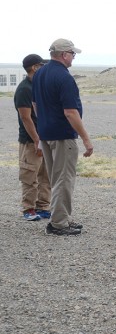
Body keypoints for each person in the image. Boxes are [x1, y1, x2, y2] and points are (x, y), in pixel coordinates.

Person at [32, 39, 93, 236]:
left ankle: (62, 217)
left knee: (55, 177)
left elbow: (35, 105)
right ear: (64, 54)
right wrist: (85, 138)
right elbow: (70, 112)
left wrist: (43, 125)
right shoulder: (64, 78)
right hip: (62, 135)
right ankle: (58, 223)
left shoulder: (40, 73)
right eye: (73, 54)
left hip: (46, 133)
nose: (73, 58)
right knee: (63, 179)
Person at [14, 54, 51, 221]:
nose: (45, 68)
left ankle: (43, 206)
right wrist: (36, 140)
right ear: (34, 67)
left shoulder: (40, 86)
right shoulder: (24, 89)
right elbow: (26, 118)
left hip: (45, 138)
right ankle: (28, 209)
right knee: (30, 176)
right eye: (42, 65)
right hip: (30, 140)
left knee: (45, 175)